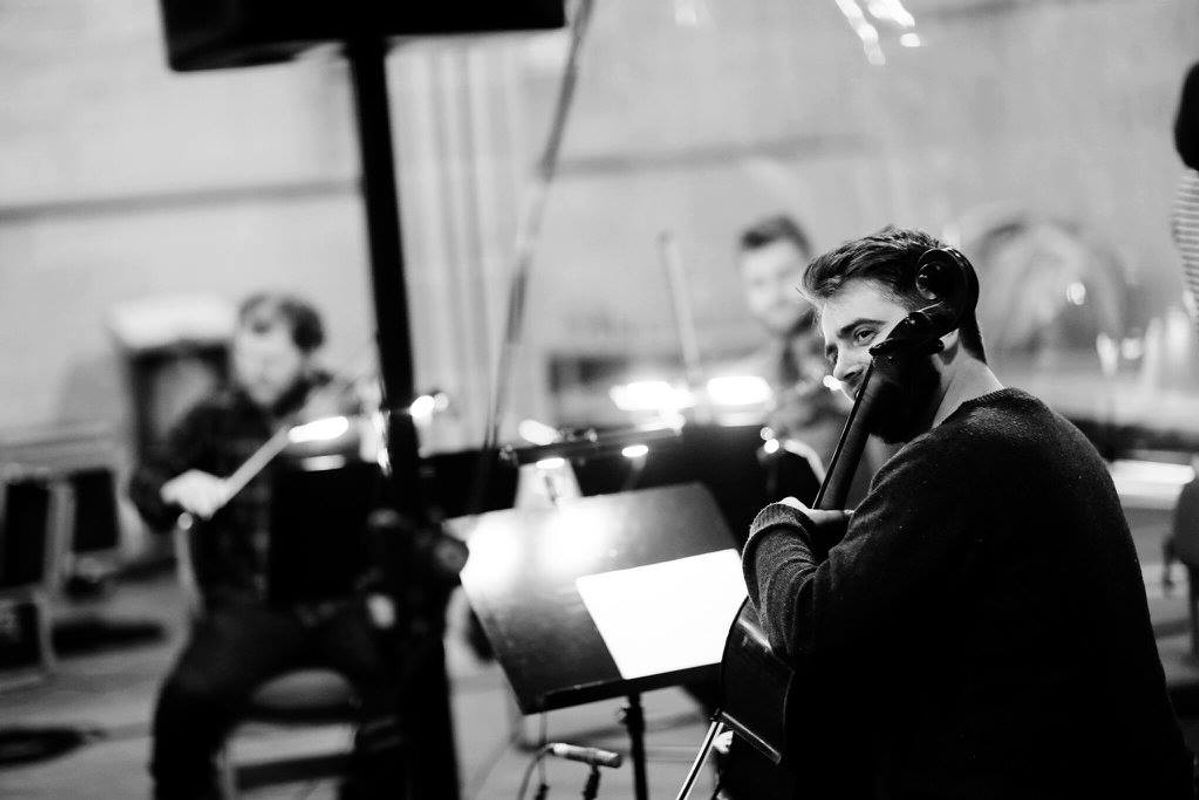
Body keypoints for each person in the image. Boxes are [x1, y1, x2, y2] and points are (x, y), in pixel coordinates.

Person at [739, 228, 1193, 798]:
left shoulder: (955, 457)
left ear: (943, 325)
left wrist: (776, 524)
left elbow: (807, 627)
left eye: (864, 334)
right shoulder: (1035, 432)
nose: (845, 368)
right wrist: (863, 534)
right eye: (834, 350)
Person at [129, 293, 407, 800]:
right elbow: (145, 483)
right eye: (244, 357)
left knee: (412, 684)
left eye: (272, 361)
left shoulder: (348, 405)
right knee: (185, 701)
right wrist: (175, 487)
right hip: (250, 607)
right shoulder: (215, 416)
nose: (255, 373)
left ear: (308, 354)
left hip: (344, 600)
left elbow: (399, 494)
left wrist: (379, 434)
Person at [735, 214, 848, 474]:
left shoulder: (848, 349)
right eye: (758, 283)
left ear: (812, 268)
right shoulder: (759, 372)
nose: (774, 294)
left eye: (785, 274)